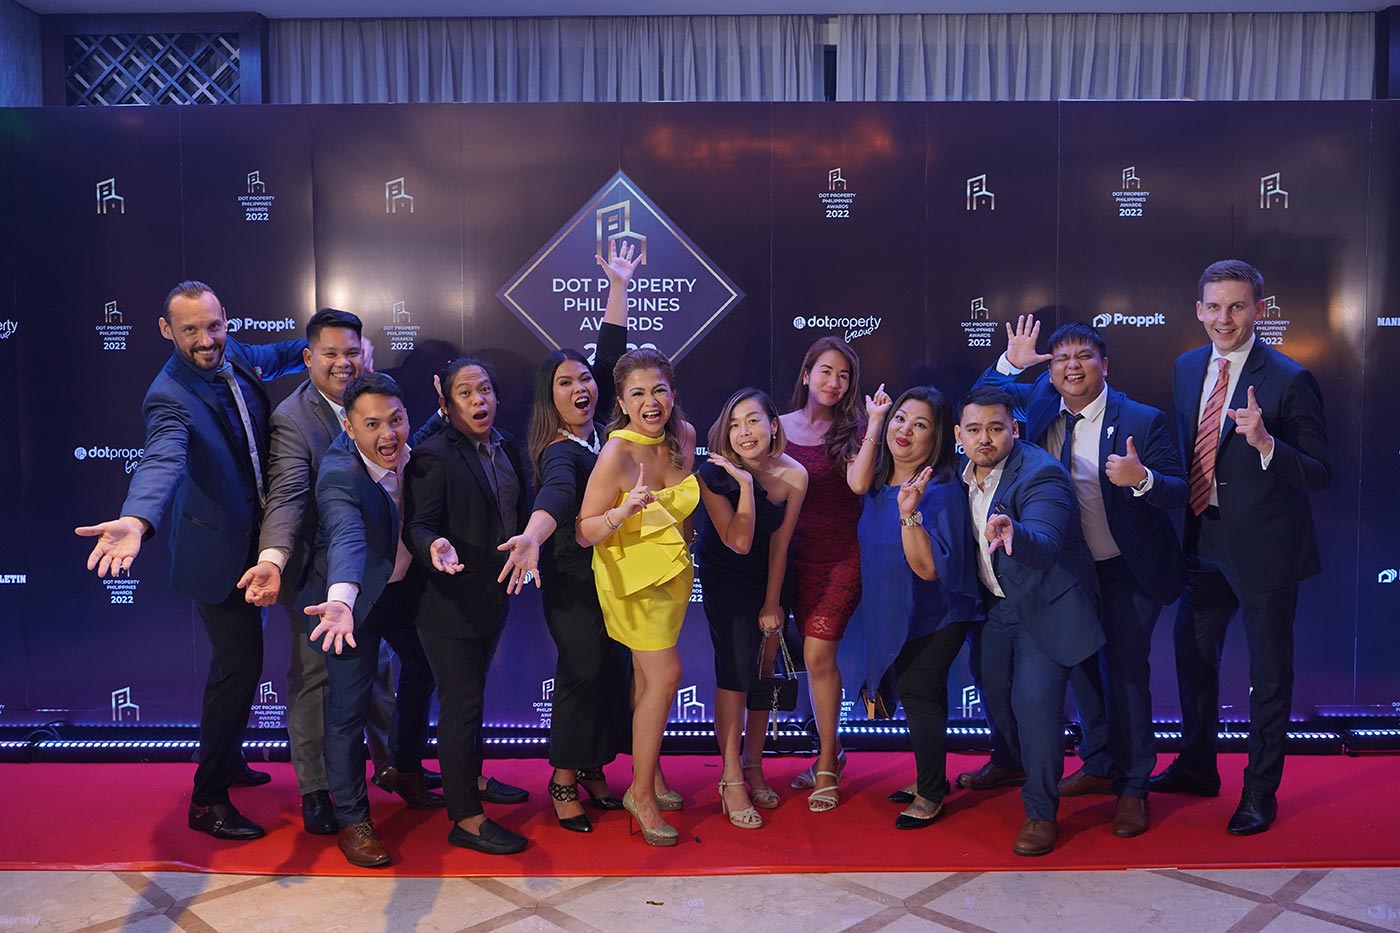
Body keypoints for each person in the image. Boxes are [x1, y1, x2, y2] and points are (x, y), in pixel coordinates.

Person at [76, 281, 306, 840]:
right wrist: (137, 519)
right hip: (217, 555)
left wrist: (329, 348)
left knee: (233, 669)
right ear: (166, 330)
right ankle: (207, 801)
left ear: (226, 320)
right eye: (190, 330)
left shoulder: (236, 352)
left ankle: (227, 758)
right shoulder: (169, 395)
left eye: (213, 326)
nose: (206, 340)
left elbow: (283, 353)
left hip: (259, 542)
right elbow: (162, 460)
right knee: (240, 669)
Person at [973, 317, 1187, 838]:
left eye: (1084, 356)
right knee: (1081, 669)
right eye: (1062, 357)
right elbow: (982, 403)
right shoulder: (1039, 403)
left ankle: (1133, 788)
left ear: (1104, 365)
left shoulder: (1141, 419)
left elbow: (1180, 489)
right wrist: (1010, 364)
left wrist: (1143, 479)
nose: (1072, 366)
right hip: (1064, 571)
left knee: (1126, 677)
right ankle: (1099, 763)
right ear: (1051, 370)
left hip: (1124, 570)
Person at [1151, 260, 1331, 836]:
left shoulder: (1290, 378)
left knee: (1269, 675)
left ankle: (1259, 792)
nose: (1223, 319)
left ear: (1259, 309)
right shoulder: (1185, 367)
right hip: (1203, 539)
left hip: (1266, 551)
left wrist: (1266, 443)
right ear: (1198, 310)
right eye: (1213, 306)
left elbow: (1320, 473)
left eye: (1236, 306)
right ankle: (1197, 766)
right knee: (1192, 655)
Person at [232, 308, 413, 836]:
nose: (342, 363)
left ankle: (393, 768)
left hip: (379, 572)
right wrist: (272, 559)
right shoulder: (293, 417)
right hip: (316, 573)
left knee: (377, 672)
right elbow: (288, 496)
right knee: (315, 680)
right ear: (308, 357)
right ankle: (316, 790)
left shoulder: (380, 400)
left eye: (352, 352)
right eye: (330, 353)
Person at [495, 241, 638, 833]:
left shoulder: (599, 432)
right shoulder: (561, 451)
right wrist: (531, 536)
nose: (580, 387)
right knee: (583, 673)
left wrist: (618, 287)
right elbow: (554, 498)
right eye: (565, 382)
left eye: (584, 380)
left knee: (609, 670)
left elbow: (610, 360)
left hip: (610, 577)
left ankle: (594, 767)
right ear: (548, 397)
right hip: (573, 582)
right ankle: (561, 779)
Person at [956, 386, 1103, 856]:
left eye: (995, 428)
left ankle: (1041, 811)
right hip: (995, 607)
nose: (985, 438)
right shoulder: (958, 474)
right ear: (959, 435)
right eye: (974, 430)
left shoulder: (1041, 474)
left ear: (1014, 430)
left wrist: (1015, 532)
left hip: (1043, 604)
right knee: (993, 689)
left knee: (1035, 705)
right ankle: (1010, 760)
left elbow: (1045, 540)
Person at [299, 372, 437, 867]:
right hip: (350, 604)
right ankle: (353, 819)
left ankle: (404, 768)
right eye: (372, 424)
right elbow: (346, 536)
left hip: (401, 590)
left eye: (396, 420)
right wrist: (342, 598)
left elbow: (424, 434)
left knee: (426, 665)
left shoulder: (414, 448)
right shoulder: (340, 474)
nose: (388, 434)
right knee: (348, 710)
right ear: (349, 427)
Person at [403, 357, 532, 856]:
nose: (479, 401)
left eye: (485, 390)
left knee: (473, 700)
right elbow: (417, 526)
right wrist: (432, 546)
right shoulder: (432, 455)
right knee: (461, 708)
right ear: (446, 403)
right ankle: (466, 819)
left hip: (491, 598)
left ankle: (471, 779)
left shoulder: (508, 446)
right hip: (446, 604)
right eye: (465, 393)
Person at [846, 386, 984, 830]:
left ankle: (930, 794)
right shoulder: (877, 482)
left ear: (937, 437)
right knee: (922, 694)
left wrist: (910, 513)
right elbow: (856, 482)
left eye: (920, 424)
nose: (905, 430)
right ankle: (932, 779)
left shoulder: (940, 491)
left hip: (939, 613)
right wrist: (876, 420)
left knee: (917, 690)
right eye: (901, 418)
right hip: (895, 611)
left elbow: (926, 569)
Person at [577, 348, 698, 847]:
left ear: (672, 393)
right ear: (623, 403)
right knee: (666, 675)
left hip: (672, 576)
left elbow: (681, 513)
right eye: (639, 394)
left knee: (649, 678)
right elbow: (584, 530)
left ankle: (653, 773)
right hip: (629, 579)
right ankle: (640, 793)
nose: (651, 402)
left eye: (659, 390)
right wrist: (622, 511)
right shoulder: (617, 454)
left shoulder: (684, 437)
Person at [695, 388, 807, 829]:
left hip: (770, 576)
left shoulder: (795, 474)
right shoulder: (712, 473)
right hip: (726, 575)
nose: (744, 431)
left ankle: (754, 763)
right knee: (734, 671)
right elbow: (737, 541)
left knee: (764, 671)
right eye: (735, 424)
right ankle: (730, 776)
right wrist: (744, 484)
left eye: (754, 420)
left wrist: (773, 602)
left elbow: (781, 544)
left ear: (773, 425)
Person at [778, 336, 866, 811]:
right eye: (827, 371)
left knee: (817, 654)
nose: (834, 382)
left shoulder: (855, 430)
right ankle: (830, 751)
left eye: (844, 375)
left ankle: (828, 760)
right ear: (806, 373)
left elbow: (859, 484)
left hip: (841, 556)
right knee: (802, 657)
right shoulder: (776, 426)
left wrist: (873, 427)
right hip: (787, 557)